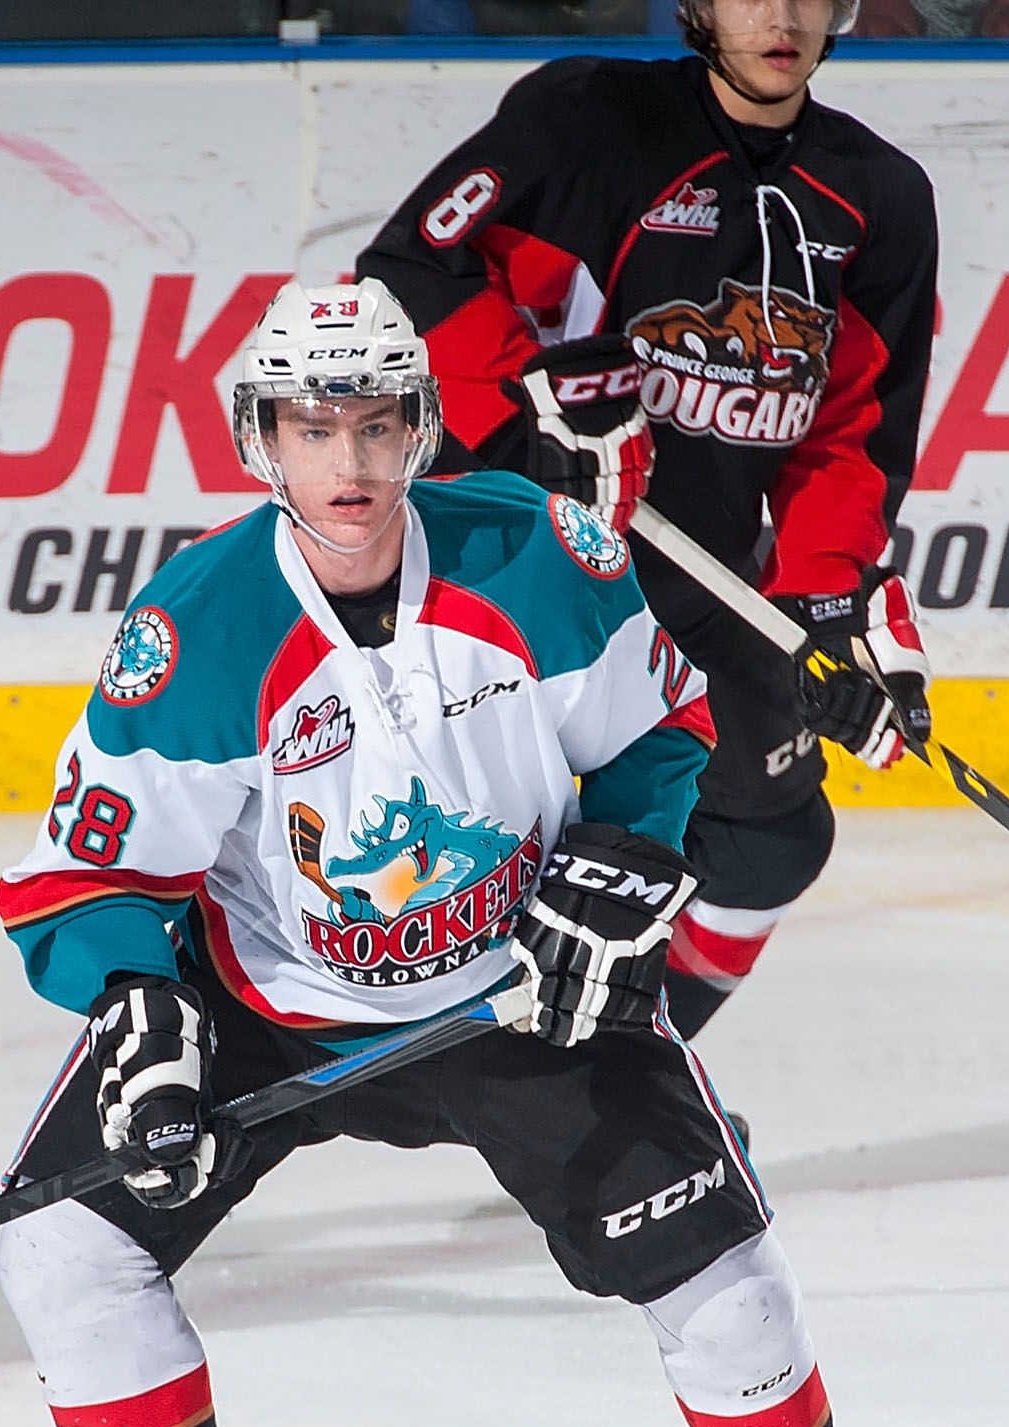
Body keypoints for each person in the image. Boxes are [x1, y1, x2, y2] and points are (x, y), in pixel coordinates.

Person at [0, 278, 971, 1427]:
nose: (349, 461)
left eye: (378, 423)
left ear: (423, 427)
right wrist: (141, 1013)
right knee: (67, 1244)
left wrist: (625, 860)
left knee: (726, 1276)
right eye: (312, 426)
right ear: (259, 439)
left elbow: (662, 736)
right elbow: (90, 872)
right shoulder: (198, 629)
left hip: (521, 998)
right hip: (269, 1003)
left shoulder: (540, 555)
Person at [357, 0, 942, 1052]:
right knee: (475, 846)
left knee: (768, 843)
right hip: (516, 567)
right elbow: (411, 266)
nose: (785, 16)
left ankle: (626, 1064)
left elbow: (850, 432)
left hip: (696, 574)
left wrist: (823, 605)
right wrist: (522, 419)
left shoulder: (879, 196)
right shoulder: (592, 119)